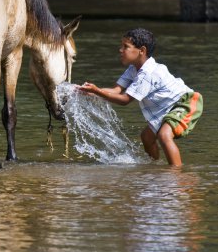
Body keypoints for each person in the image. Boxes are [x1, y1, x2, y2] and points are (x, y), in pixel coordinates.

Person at [78, 28, 203, 167]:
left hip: (186, 103)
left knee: (164, 135)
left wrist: (97, 91)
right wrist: (91, 91)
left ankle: (176, 175)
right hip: (168, 108)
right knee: (147, 137)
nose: (120, 50)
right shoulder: (133, 69)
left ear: (141, 51)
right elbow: (116, 90)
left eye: (126, 46)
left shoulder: (147, 73)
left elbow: (125, 100)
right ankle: (154, 167)